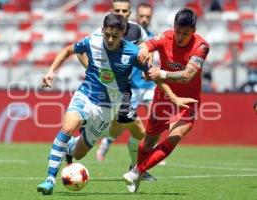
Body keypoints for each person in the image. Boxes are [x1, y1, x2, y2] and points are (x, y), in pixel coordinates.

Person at [36, 13, 195, 195]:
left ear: (123, 34)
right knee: (67, 127)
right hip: (85, 95)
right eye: (107, 35)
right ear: (103, 30)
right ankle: (49, 179)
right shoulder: (91, 42)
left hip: (107, 108)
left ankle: (67, 148)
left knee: (78, 153)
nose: (110, 39)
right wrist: (51, 72)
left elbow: (154, 76)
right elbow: (68, 51)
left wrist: (174, 98)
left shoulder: (134, 53)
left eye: (115, 36)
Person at [123, 8, 210, 192]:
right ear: (174, 28)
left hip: (187, 101)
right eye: (178, 31)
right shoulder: (165, 36)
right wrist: (144, 51)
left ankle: (137, 171)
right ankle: (138, 174)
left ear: (193, 31)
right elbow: (146, 44)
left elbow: (188, 75)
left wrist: (160, 73)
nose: (180, 37)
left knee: (174, 137)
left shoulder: (202, 46)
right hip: (163, 98)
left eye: (185, 33)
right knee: (148, 142)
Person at [93, 0, 156, 181]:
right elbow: (83, 50)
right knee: (117, 129)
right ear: (111, 10)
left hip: (142, 86)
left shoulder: (138, 31)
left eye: (124, 10)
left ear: (130, 12)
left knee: (151, 121)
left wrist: (148, 61)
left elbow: (147, 46)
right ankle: (100, 140)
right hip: (120, 89)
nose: (121, 13)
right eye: (117, 10)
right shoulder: (105, 33)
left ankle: (137, 166)